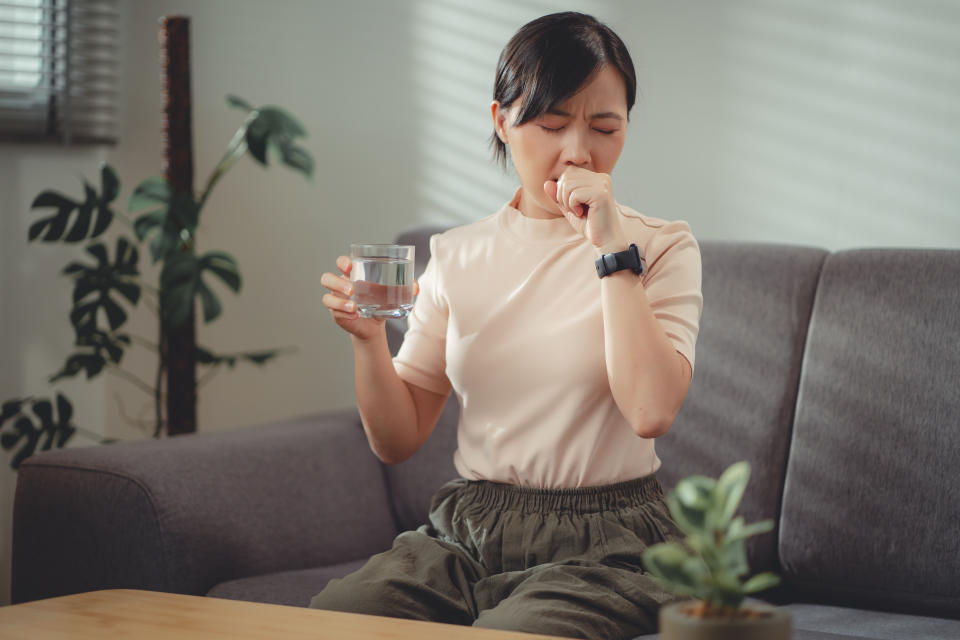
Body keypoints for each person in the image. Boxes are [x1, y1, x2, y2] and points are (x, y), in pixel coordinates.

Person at [312, 11, 702, 640]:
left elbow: (651, 410)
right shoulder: (457, 254)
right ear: (501, 121)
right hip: (469, 529)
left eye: (605, 127)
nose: (578, 151)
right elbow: (398, 437)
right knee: (331, 621)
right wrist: (367, 345)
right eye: (551, 125)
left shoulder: (659, 248)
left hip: (611, 543)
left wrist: (610, 251)